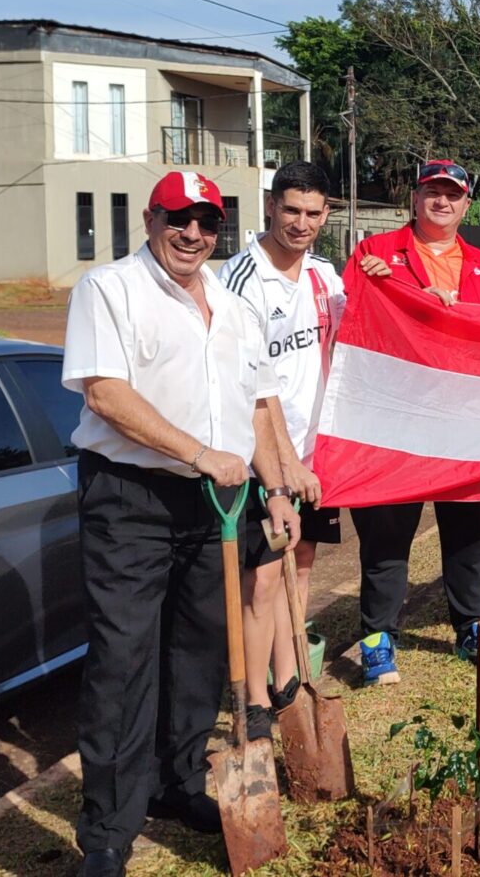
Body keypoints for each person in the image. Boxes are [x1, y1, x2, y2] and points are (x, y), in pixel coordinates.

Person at [61, 171, 298, 877]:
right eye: (178, 218)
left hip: (217, 503)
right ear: (150, 217)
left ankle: (176, 784)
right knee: (122, 662)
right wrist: (197, 453)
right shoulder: (109, 291)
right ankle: (107, 832)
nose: (192, 233)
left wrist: (276, 488)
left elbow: (257, 406)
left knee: (197, 654)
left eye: (206, 220)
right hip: (132, 500)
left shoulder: (233, 305)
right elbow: (105, 393)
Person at [346, 159, 480, 684]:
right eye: (432, 192)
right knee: (386, 531)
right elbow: (349, 320)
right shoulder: (375, 254)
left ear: (466, 204)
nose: (442, 202)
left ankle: (472, 625)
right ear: (414, 199)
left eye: (452, 194)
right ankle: (377, 637)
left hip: (464, 418)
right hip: (396, 415)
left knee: (470, 531)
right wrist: (375, 287)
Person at [216, 160, 345, 741]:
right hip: (264, 458)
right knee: (262, 581)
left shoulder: (325, 275)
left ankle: (290, 679)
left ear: (326, 214)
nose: (301, 223)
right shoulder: (241, 280)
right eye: (291, 209)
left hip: (316, 458)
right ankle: (253, 698)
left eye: (313, 213)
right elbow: (251, 389)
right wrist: (285, 465)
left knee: (302, 567)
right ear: (270, 206)